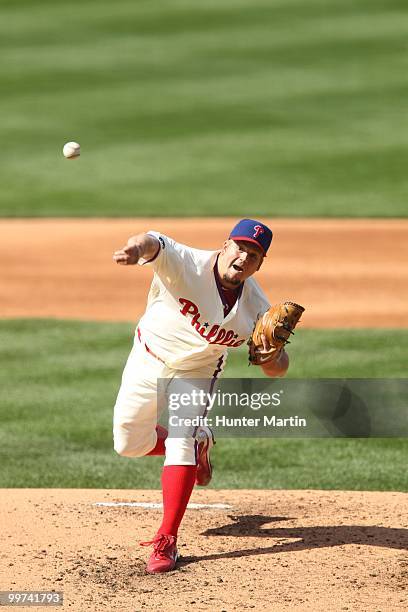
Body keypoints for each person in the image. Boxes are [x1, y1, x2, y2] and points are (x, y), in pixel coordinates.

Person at [112, 219, 289, 574]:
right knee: (128, 444)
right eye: (239, 247)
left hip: (198, 372)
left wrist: (273, 356)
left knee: (180, 438)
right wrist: (134, 249)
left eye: (253, 254)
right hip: (149, 356)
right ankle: (200, 445)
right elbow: (151, 242)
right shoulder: (187, 263)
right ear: (225, 245)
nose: (243, 257)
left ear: (259, 264)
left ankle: (166, 540)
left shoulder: (257, 308)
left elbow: (278, 368)